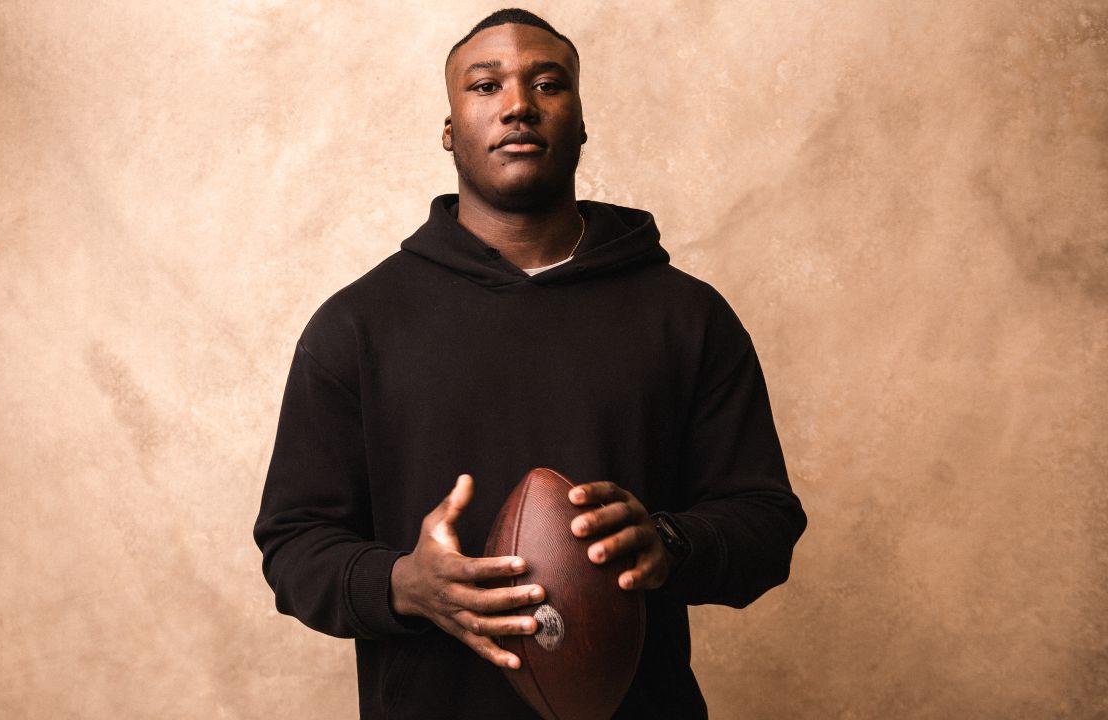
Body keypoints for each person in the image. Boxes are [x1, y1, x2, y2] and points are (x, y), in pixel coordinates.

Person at [254, 8, 806, 719]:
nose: (518, 104)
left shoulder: (687, 316)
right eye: (485, 87)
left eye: (548, 84)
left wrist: (670, 541)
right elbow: (294, 545)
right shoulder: (357, 325)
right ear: (449, 130)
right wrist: (403, 582)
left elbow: (765, 523)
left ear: (580, 122)